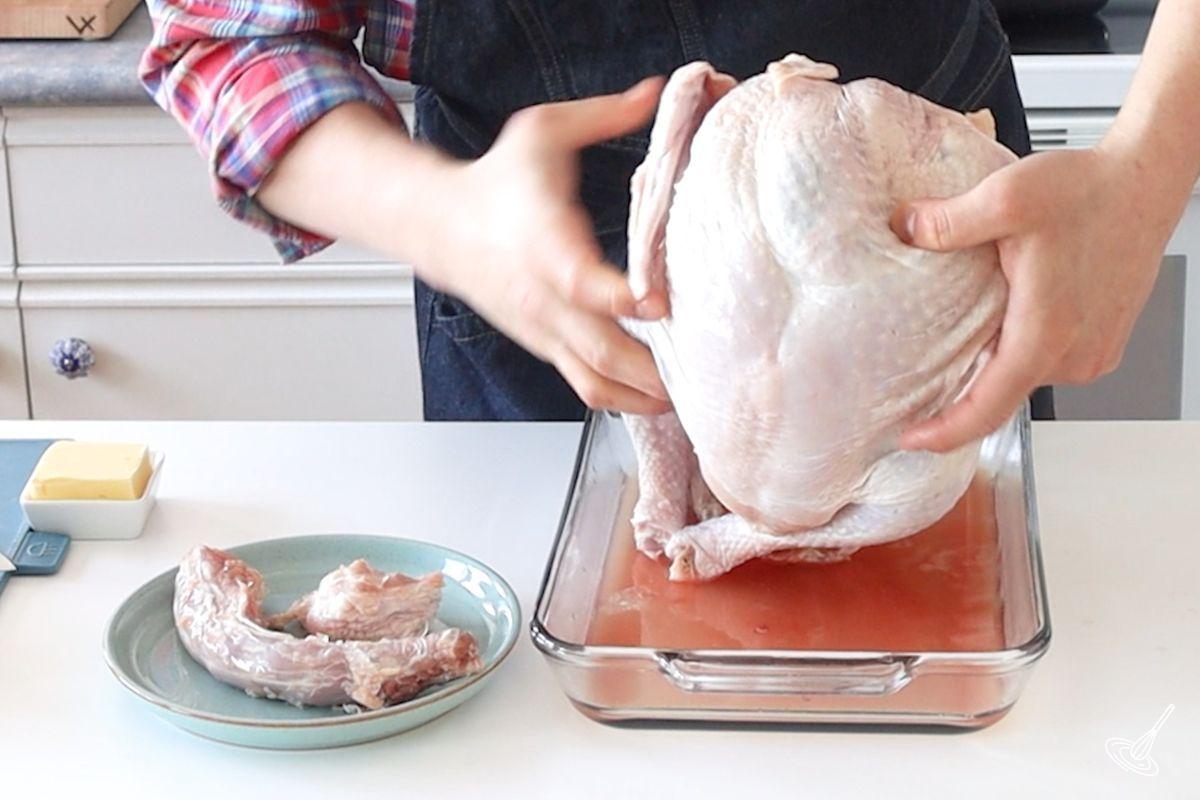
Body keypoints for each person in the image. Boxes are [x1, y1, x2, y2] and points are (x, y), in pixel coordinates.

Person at [142, 0, 1200, 451]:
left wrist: (1148, 175)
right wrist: (452, 222)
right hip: (550, 280)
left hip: (931, 247)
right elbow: (232, 44)